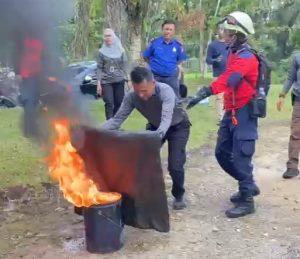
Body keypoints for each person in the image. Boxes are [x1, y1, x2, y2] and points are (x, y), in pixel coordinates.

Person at [186, 11, 260, 218]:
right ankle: (248, 184)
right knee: (221, 152)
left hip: (245, 111)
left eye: (229, 32)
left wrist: (203, 93)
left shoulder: (247, 57)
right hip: (232, 110)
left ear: (238, 35)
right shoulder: (233, 52)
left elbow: (229, 79)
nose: (225, 35)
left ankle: (247, 199)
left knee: (241, 155)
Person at [101, 66, 191, 210]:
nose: (141, 96)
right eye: (137, 91)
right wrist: (95, 131)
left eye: (144, 91)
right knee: (141, 160)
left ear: (153, 83)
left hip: (177, 126)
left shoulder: (165, 91)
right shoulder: (132, 96)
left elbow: (166, 120)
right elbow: (116, 120)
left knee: (175, 164)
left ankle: (178, 195)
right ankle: (145, 196)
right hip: (155, 126)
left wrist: (155, 137)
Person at [143, 20, 187, 98]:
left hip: (171, 78)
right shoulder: (154, 43)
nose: (168, 32)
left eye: (171, 30)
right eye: (166, 29)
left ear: (174, 31)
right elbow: (146, 57)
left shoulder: (178, 45)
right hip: (155, 77)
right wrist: (155, 66)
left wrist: (171, 67)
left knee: (175, 100)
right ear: (162, 30)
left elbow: (180, 60)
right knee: (154, 100)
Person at [277, 52, 300, 179]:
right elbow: (291, 78)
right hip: (299, 100)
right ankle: (292, 167)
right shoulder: (297, 57)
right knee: (296, 133)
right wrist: (282, 95)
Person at [97, 28, 128, 120]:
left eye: (109, 35)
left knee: (119, 103)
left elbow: (125, 65)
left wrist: (128, 78)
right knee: (109, 102)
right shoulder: (101, 52)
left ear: (114, 37)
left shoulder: (121, 51)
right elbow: (99, 68)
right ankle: (109, 125)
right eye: (105, 36)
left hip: (119, 80)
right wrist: (98, 83)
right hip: (106, 81)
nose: (107, 38)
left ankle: (115, 124)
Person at [206, 24, 228, 122]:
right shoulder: (213, 45)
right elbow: (208, 60)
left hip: (231, 74)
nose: (221, 31)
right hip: (218, 75)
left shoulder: (230, 44)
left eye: (223, 29)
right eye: (219, 29)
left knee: (231, 96)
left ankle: (230, 116)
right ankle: (221, 118)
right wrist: (215, 60)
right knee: (220, 97)